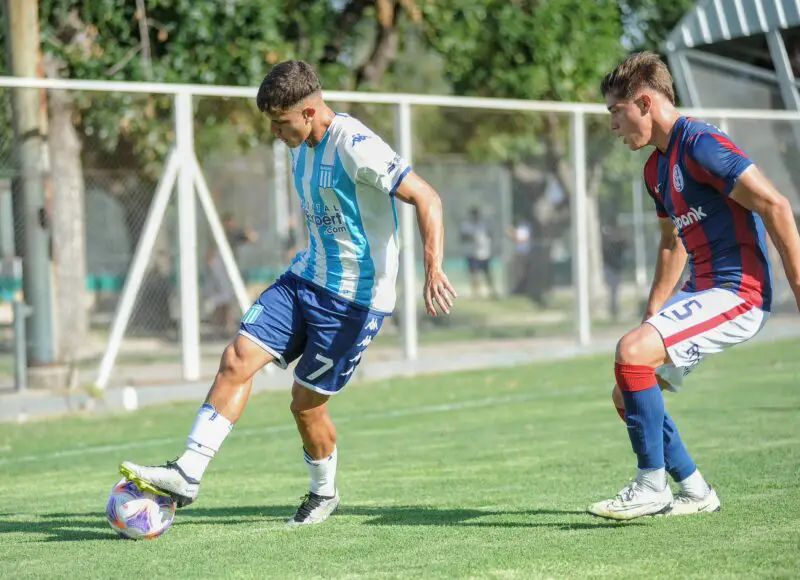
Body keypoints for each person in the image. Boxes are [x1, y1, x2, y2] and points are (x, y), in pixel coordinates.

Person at [120, 60, 457, 527]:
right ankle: (188, 473)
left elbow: (428, 197)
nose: (276, 133)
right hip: (305, 279)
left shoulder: (357, 146)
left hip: (355, 302)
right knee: (237, 357)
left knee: (305, 403)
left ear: (311, 112)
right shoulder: (300, 144)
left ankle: (324, 492)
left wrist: (433, 267)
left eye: (281, 123)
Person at [588, 52, 800, 520]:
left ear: (644, 103)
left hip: (739, 291)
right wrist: (651, 319)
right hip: (702, 286)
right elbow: (671, 245)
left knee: (632, 354)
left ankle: (650, 485)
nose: (613, 125)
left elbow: (776, 206)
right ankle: (695, 491)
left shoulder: (702, 143)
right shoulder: (654, 170)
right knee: (627, 390)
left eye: (615, 112)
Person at [205, 213, 258, 338]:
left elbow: (253, 237)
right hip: (220, 271)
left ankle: (228, 328)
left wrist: (247, 229)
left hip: (228, 271)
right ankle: (219, 328)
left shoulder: (233, 234)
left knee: (227, 300)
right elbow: (211, 257)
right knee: (221, 300)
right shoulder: (221, 235)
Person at [460, 206, 497, 298]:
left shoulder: (483, 225)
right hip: (472, 253)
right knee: (474, 274)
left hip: (484, 253)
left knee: (487, 273)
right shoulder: (466, 225)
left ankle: (492, 291)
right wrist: (472, 239)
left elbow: (490, 235)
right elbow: (463, 238)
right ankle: (476, 292)